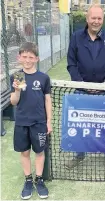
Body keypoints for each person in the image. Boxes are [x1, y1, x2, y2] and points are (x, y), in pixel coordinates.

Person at [66, 4, 105, 170]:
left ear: (102, 20)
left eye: (99, 18)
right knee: (81, 126)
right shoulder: (76, 37)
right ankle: (79, 155)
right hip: (81, 91)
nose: (96, 21)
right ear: (87, 19)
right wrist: (81, 84)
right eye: (93, 18)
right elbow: (71, 63)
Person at [10, 42, 52, 199]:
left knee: (40, 152)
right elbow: (14, 102)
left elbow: (48, 100)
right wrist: (16, 90)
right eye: (24, 57)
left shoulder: (43, 78)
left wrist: (49, 121)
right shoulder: (17, 77)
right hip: (21, 122)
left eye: (31, 57)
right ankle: (28, 180)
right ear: (19, 57)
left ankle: (39, 180)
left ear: (37, 59)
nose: (27, 60)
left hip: (39, 123)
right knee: (25, 152)